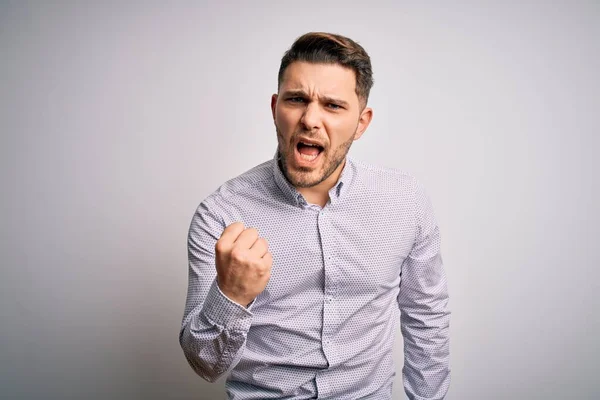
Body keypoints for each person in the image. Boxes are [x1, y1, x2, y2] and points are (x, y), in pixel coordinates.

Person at [179, 32, 450, 400]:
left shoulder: (405, 202)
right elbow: (204, 365)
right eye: (297, 99)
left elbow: (427, 322)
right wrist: (232, 296)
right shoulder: (222, 213)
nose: (310, 119)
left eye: (333, 106)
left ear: (361, 122)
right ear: (276, 107)